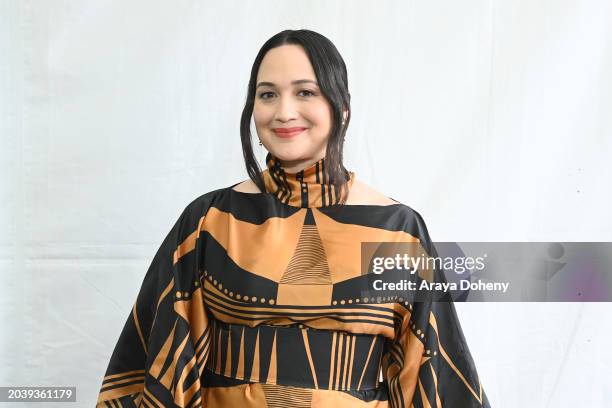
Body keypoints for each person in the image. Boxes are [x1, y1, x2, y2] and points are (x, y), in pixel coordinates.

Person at [97, 29, 490, 408]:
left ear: (342, 106)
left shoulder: (397, 230)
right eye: (268, 94)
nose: (284, 112)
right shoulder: (210, 222)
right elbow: (158, 370)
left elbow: (432, 376)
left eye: (305, 92)